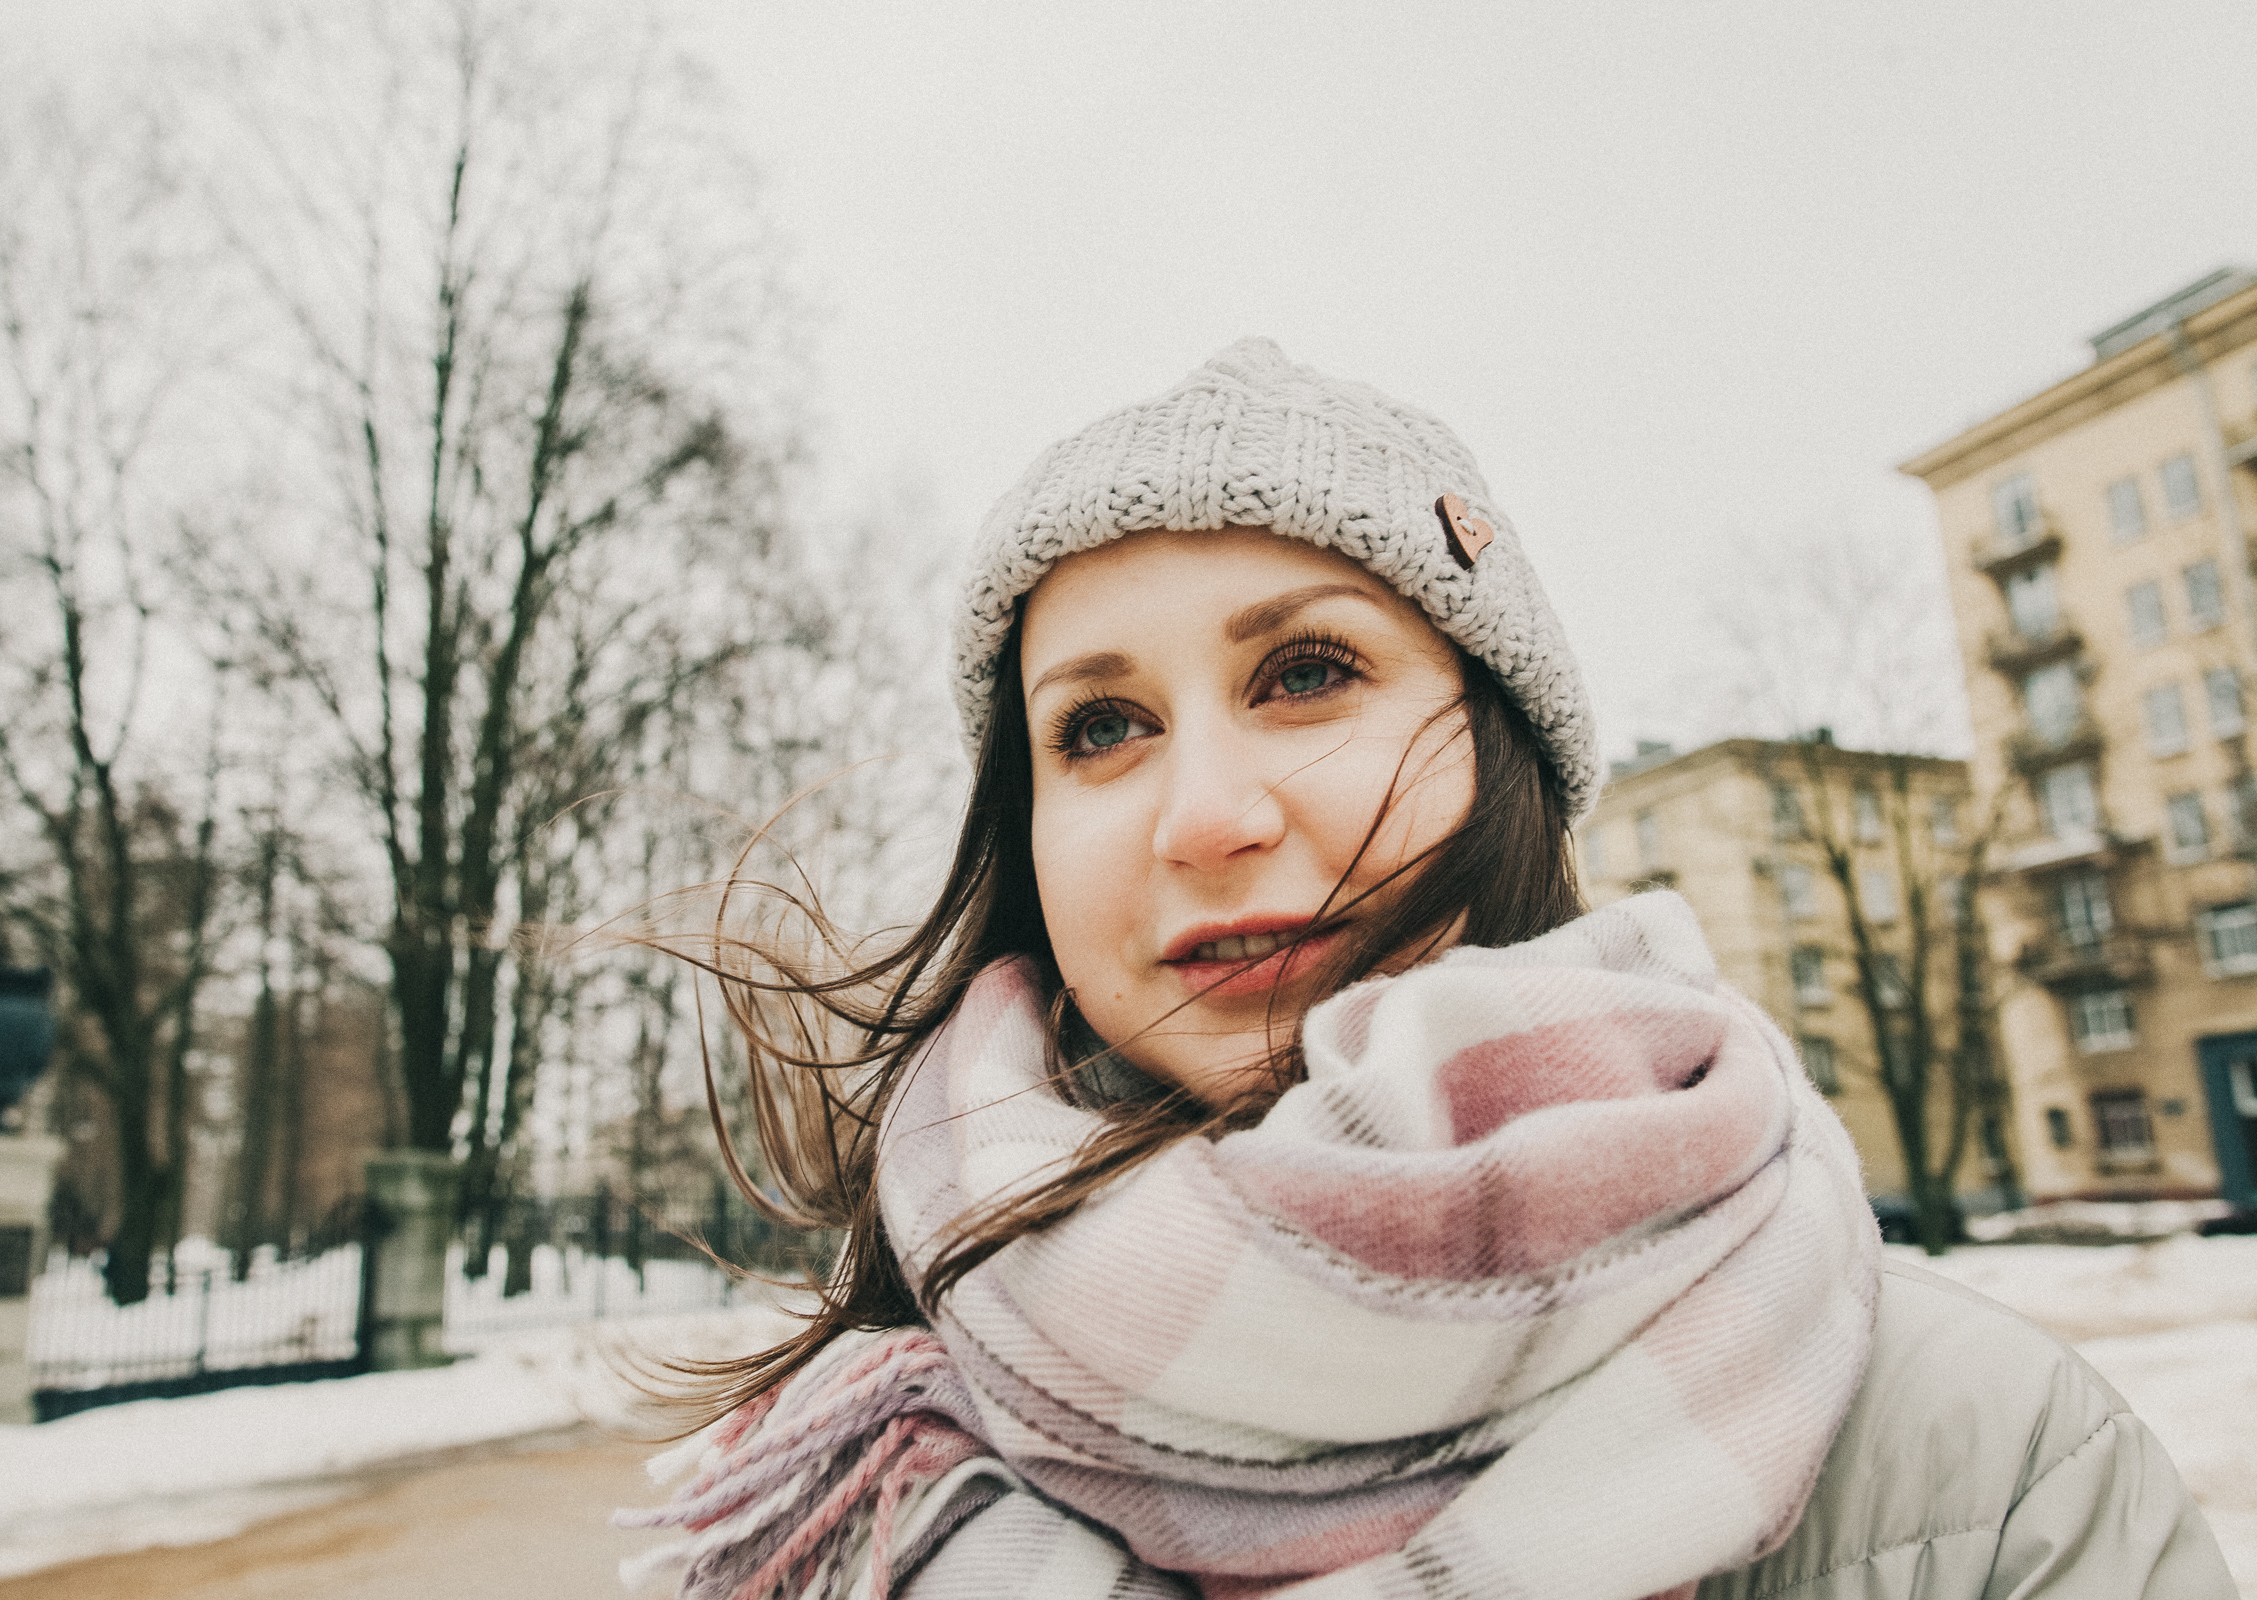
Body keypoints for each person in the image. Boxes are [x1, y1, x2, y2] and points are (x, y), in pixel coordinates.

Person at [618, 340, 2233, 1599]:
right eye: (1101, 727)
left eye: (1308, 673)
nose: (1209, 814)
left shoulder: (1986, 1454)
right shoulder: (864, 1473)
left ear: (1503, 757)